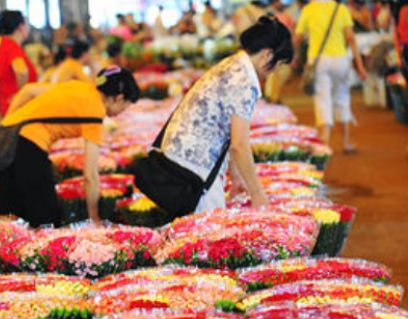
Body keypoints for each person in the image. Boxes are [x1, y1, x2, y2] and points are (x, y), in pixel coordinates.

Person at [154, 15, 294, 214]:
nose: (275, 72)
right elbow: (239, 144)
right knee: (207, 232)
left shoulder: (234, 64)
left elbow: (228, 132)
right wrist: (257, 193)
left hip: (183, 154)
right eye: (278, 64)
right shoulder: (245, 80)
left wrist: (236, 177)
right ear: (267, 55)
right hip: (194, 165)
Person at [0, 67, 140, 227]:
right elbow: (90, 174)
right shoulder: (95, 112)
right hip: (28, 146)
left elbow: (29, 90)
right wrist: (94, 218)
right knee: (46, 222)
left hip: (5, 142)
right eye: (124, 107)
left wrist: (6, 123)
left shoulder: (79, 87)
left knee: (11, 218)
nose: (121, 112)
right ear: (118, 99)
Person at [295, 0, 367, 151]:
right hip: (340, 60)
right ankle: (346, 143)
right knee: (342, 98)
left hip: (318, 60)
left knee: (322, 100)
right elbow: (351, 39)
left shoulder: (308, 9)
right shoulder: (341, 9)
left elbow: (298, 37)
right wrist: (360, 65)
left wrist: (294, 57)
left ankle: (325, 143)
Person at [0, 10, 38, 117]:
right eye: (27, 24)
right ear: (20, 27)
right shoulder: (11, 47)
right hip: (14, 107)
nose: (29, 28)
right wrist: (22, 94)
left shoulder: (3, 44)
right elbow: (22, 71)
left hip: (6, 105)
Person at [265, 0, 295, 102]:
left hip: (281, 49)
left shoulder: (286, 16)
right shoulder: (269, 16)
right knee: (274, 74)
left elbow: (292, 33)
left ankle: (273, 96)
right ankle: (273, 97)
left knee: (278, 74)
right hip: (275, 49)